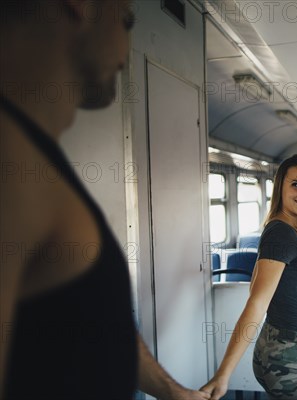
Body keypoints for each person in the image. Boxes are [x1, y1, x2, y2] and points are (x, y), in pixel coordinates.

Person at [0, 1, 209, 399]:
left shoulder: (35, 155)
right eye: (126, 20)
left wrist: (174, 392)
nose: (127, 45)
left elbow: (94, 320)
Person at [200, 154, 297, 399]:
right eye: (296, 184)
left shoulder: (289, 231)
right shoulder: (281, 234)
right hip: (294, 356)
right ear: (280, 187)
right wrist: (223, 373)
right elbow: (256, 302)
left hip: (290, 347)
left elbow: (276, 283)